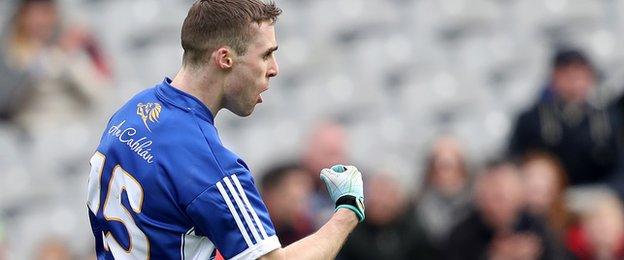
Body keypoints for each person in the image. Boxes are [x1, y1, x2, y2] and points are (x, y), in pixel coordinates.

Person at [86, 1, 365, 259]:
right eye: (266, 55)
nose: (274, 69)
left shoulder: (130, 113)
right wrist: (347, 211)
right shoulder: (214, 167)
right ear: (225, 58)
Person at [508, 48, 620, 186]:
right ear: (553, 77)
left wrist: (611, 192)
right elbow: (516, 160)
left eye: (579, 73)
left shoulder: (609, 117)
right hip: (549, 198)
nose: (574, 81)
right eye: (566, 73)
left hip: (601, 194)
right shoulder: (532, 120)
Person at [445, 160, 564, 260]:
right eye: (491, 196)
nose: (497, 206)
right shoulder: (462, 235)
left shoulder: (537, 227)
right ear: (479, 198)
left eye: (503, 197)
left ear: (520, 196)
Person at [339, 172, 435, 260]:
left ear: (400, 199)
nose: (380, 200)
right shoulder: (351, 227)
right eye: (376, 192)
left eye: (386, 194)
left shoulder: (413, 230)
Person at [415, 136, 471, 249]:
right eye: (437, 166)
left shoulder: (477, 206)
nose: (443, 174)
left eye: (448, 166)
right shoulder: (417, 209)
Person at [259, 163, 315, 246]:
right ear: (272, 193)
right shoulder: (254, 230)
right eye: (298, 184)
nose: (304, 193)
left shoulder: (303, 229)